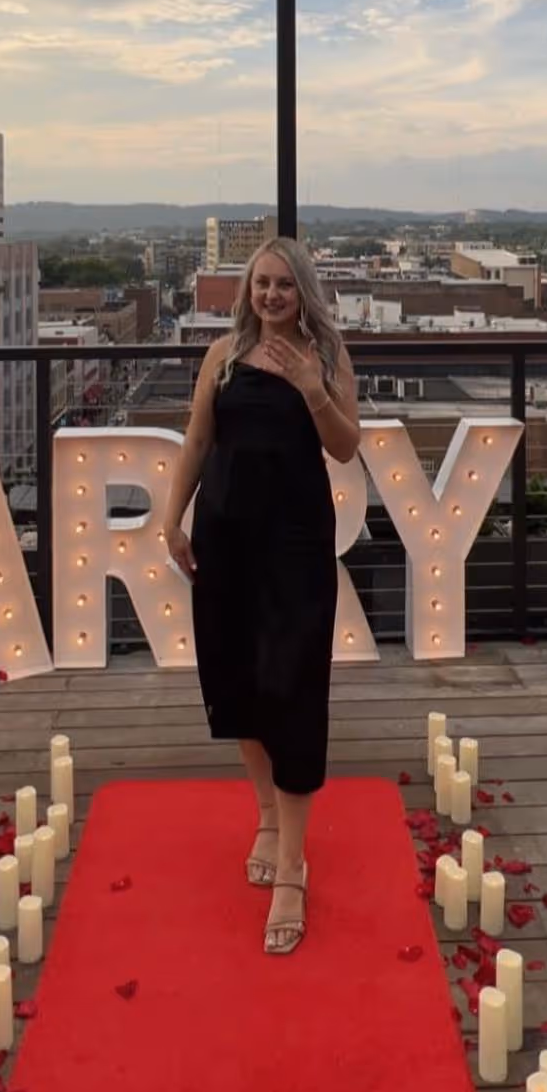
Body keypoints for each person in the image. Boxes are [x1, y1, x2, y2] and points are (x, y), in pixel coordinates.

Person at [161, 237, 360, 955]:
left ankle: (292, 870)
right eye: (261, 284)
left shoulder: (329, 357)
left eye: (284, 285)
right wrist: (172, 517)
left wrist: (311, 386)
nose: (270, 295)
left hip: (297, 544)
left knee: (293, 687)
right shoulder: (221, 356)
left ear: (304, 291)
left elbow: (345, 447)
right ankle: (268, 818)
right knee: (239, 679)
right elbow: (196, 442)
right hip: (226, 536)